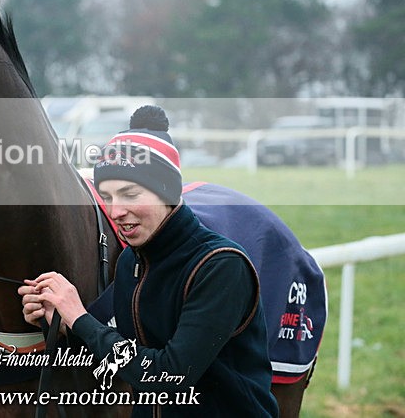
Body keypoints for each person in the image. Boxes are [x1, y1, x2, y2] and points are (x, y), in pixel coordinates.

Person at [18, 105, 279, 417]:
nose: (116, 212)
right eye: (108, 197)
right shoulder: (130, 261)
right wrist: (62, 326)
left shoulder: (221, 266)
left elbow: (168, 378)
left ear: (166, 191)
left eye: (130, 194)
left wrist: (79, 318)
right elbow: (127, 359)